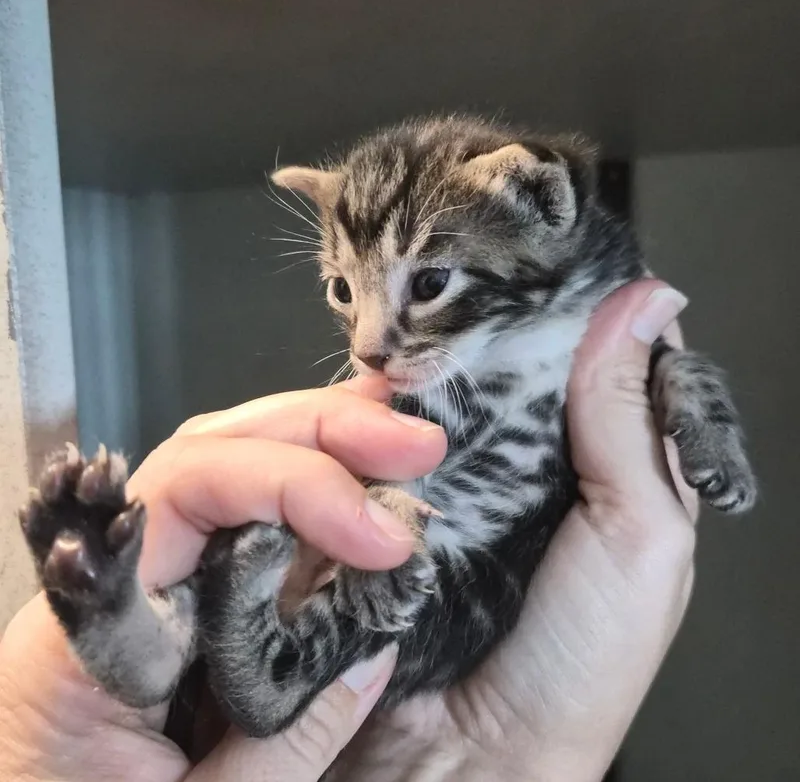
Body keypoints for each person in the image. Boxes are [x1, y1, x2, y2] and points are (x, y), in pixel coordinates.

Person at [0, 279, 695, 782]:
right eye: (341, 290)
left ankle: (181, 651)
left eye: (426, 283)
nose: (366, 343)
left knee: (289, 538)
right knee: (281, 520)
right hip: (357, 600)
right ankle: (151, 647)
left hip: (422, 613)